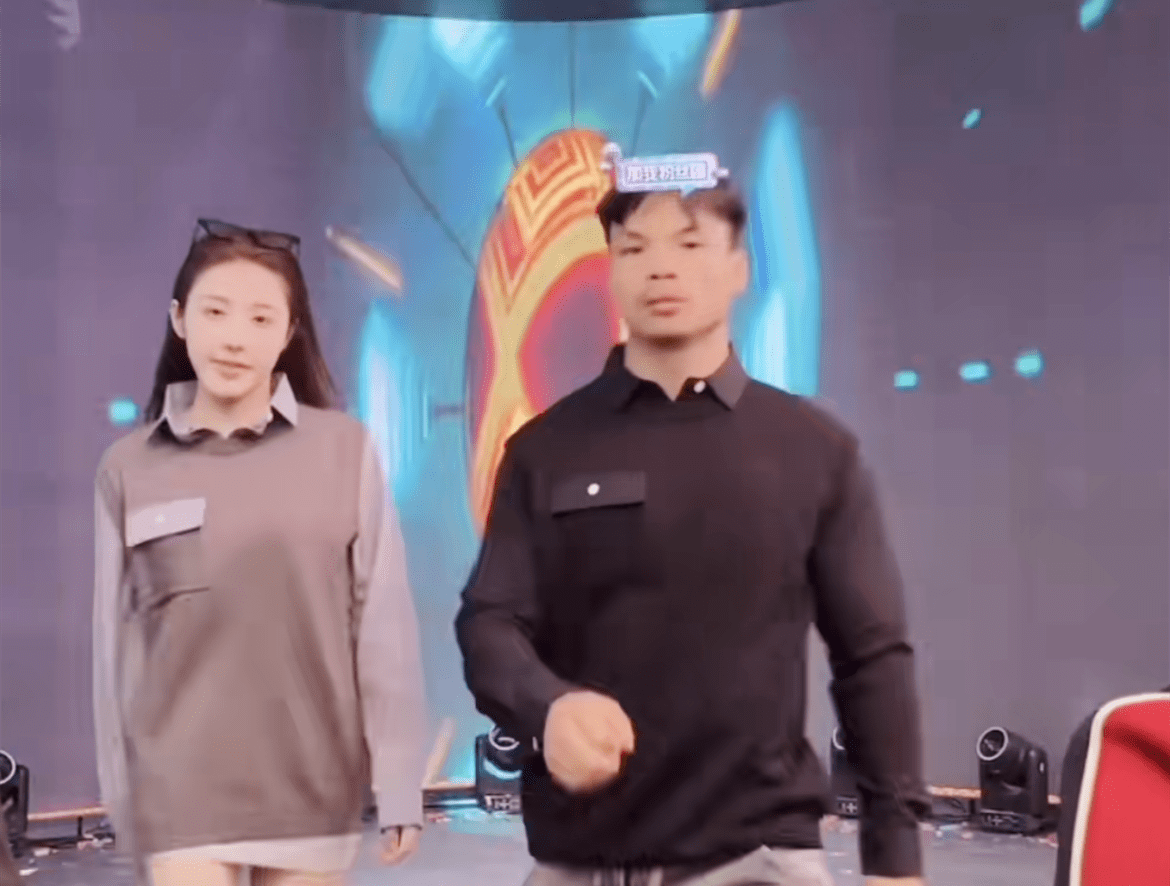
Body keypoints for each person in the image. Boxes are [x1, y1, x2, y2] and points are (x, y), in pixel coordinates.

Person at [455, 148, 931, 886]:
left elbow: (872, 656)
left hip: (758, 859)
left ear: (739, 267)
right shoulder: (545, 449)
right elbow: (489, 622)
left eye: (689, 243)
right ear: (611, 271)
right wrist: (547, 709)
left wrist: (895, 856)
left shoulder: (813, 450)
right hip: (583, 860)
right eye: (634, 249)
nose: (661, 268)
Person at [92, 219, 428, 886]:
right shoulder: (128, 467)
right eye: (215, 312)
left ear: (289, 332)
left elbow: (383, 629)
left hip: (312, 784)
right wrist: (122, 800)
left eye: (261, 318)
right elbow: (115, 649)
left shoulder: (345, 451)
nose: (235, 337)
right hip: (179, 792)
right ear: (180, 319)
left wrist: (399, 782)